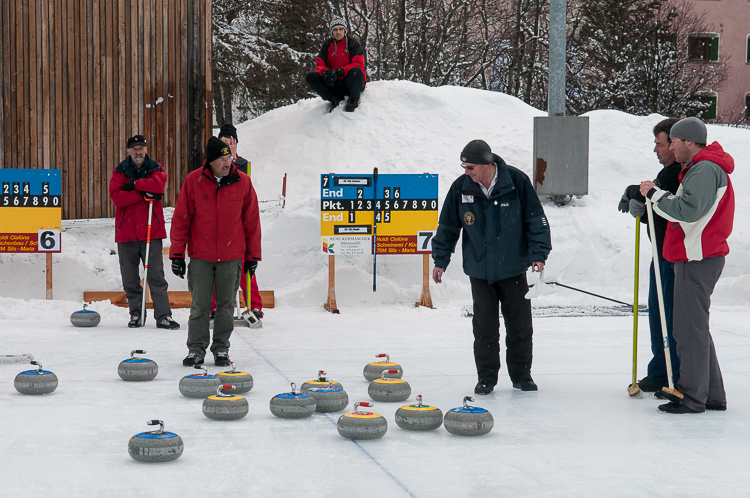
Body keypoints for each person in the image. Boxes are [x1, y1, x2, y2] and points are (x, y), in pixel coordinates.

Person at [432, 140, 551, 395]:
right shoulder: (461, 187)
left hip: (513, 268)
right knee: (484, 329)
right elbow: (448, 226)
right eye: (463, 166)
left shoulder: (516, 181)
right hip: (480, 271)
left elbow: (535, 219)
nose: (467, 171)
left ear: (487, 163)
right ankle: (486, 378)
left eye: (470, 166)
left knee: (520, 326)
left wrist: (538, 254)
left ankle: (521, 376)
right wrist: (440, 260)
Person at [640, 117, 734, 414]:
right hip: (697, 255)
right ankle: (712, 394)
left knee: (688, 328)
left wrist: (653, 195)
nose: (672, 149)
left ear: (689, 142)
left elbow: (688, 211)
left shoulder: (705, 169)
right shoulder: (699, 168)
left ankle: (692, 396)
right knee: (695, 326)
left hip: (698, 257)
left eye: (675, 143)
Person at [169, 137, 261, 367]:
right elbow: (181, 219)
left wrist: (253, 256)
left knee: (226, 306)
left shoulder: (243, 182)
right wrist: (177, 254)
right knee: (200, 305)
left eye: (229, 158)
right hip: (201, 256)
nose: (227, 163)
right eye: (222, 159)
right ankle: (196, 349)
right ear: (210, 161)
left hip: (231, 258)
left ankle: (221, 349)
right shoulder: (193, 181)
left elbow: (252, 222)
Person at [618, 118, 681, 392]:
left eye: (660, 144)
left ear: (674, 145)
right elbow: (659, 210)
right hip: (661, 253)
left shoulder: (675, 173)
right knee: (657, 313)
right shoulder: (666, 173)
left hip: (671, 256)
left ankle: (669, 373)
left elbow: (660, 199)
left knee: (666, 315)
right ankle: (660, 370)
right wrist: (645, 212)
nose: (655, 149)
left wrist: (634, 192)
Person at [108, 135, 179, 330]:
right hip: (127, 234)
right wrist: (142, 194)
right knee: (130, 279)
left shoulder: (156, 168)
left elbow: (159, 186)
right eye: (134, 149)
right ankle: (136, 313)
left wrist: (135, 185)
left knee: (156, 277)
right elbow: (117, 197)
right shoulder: (120, 171)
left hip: (151, 232)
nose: (138, 152)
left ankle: (163, 316)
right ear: (129, 151)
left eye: (141, 148)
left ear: (146, 150)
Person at [216, 123, 264, 323]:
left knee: (246, 268)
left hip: (239, 225)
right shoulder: (213, 163)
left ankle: (255, 306)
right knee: (214, 268)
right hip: (218, 224)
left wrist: (233, 158)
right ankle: (213, 307)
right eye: (224, 141)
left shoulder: (243, 164)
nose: (227, 144)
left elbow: (242, 182)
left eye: (231, 140)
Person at [305, 17, 366, 113]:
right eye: (335, 29)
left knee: (356, 71)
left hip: (352, 82)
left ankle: (353, 99)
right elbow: (320, 63)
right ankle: (334, 98)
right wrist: (324, 72)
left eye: (340, 29)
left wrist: (341, 71)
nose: (338, 32)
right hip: (335, 82)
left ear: (344, 30)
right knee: (311, 77)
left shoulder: (352, 43)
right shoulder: (327, 44)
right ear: (332, 32)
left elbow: (358, 64)